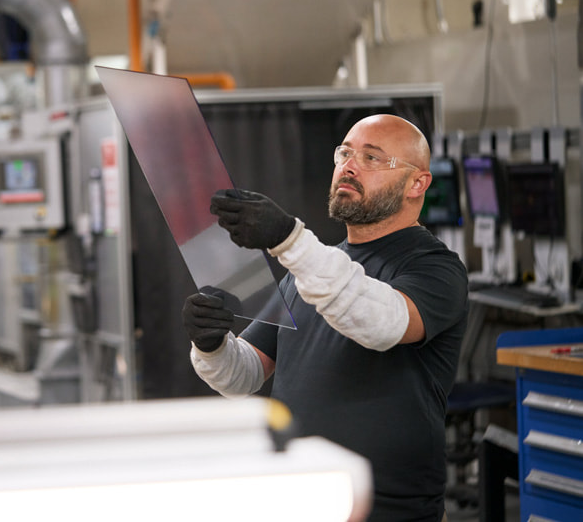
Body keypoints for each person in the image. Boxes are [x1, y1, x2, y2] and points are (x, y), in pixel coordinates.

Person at [182, 114, 468, 522]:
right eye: (346, 153)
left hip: (387, 509)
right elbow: (244, 374)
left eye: (372, 158)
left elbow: (381, 322)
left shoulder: (435, 269)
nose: (350, 166)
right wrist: (211, 345)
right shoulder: (313, 270)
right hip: (299, 498)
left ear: (417, 184)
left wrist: (290, 241)